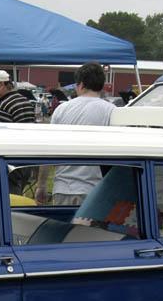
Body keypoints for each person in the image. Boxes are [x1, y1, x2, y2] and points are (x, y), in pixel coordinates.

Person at [36, 62, 116, 205]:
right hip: (95, 189)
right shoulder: (111, 111)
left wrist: (41, 185)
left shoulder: (61, 109)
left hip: (63, 187)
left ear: (81, 84)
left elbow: (47, 151)